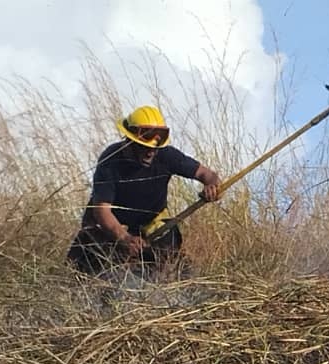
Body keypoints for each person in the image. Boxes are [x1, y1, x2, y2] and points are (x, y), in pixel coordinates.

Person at [67, 105, 222, 282]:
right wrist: (124, 238)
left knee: (173, 271)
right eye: (144, 147)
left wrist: (212, 186)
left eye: (155, 148)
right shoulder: (110, 161)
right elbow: (102, 211)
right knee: (87, 273)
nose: (151, 152)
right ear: (128, 141)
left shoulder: (167, 156)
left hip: (152, 226)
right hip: (111, 228)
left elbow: (207, 175)